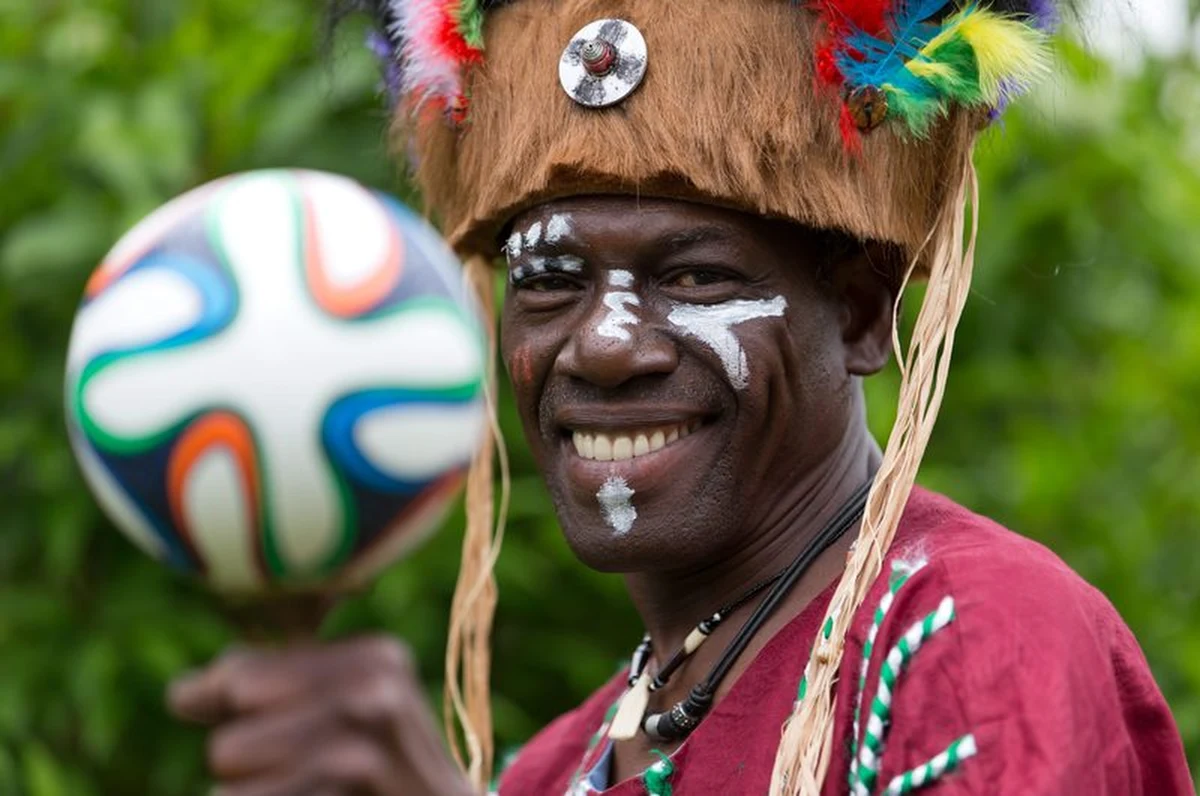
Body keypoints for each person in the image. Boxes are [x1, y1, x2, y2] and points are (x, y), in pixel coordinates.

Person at [166, 1, 1193, 794]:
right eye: (551, 282)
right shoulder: (556, 768)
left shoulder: (973, 637)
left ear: (860, 315)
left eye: (694, 277)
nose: (603, 348)